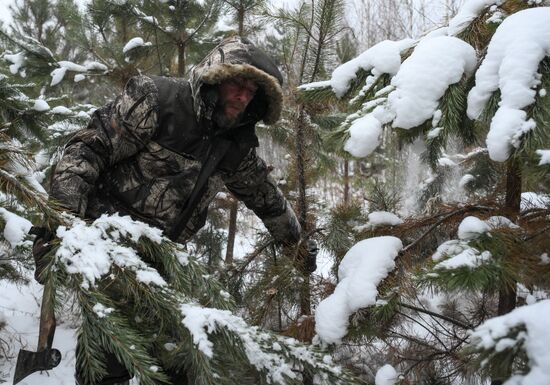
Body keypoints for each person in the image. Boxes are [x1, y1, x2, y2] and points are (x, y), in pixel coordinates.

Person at [34, 36, 317, 385]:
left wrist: (296, 245)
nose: (243, 96)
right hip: (107, 241)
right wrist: (60, 226)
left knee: (182, 356)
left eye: (252, 91)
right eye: (237, 84)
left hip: (166, 258)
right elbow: (87, 150)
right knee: (111, 355)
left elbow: (266, 197)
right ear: (216, 78)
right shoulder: (157, 100)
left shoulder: (236, 144)